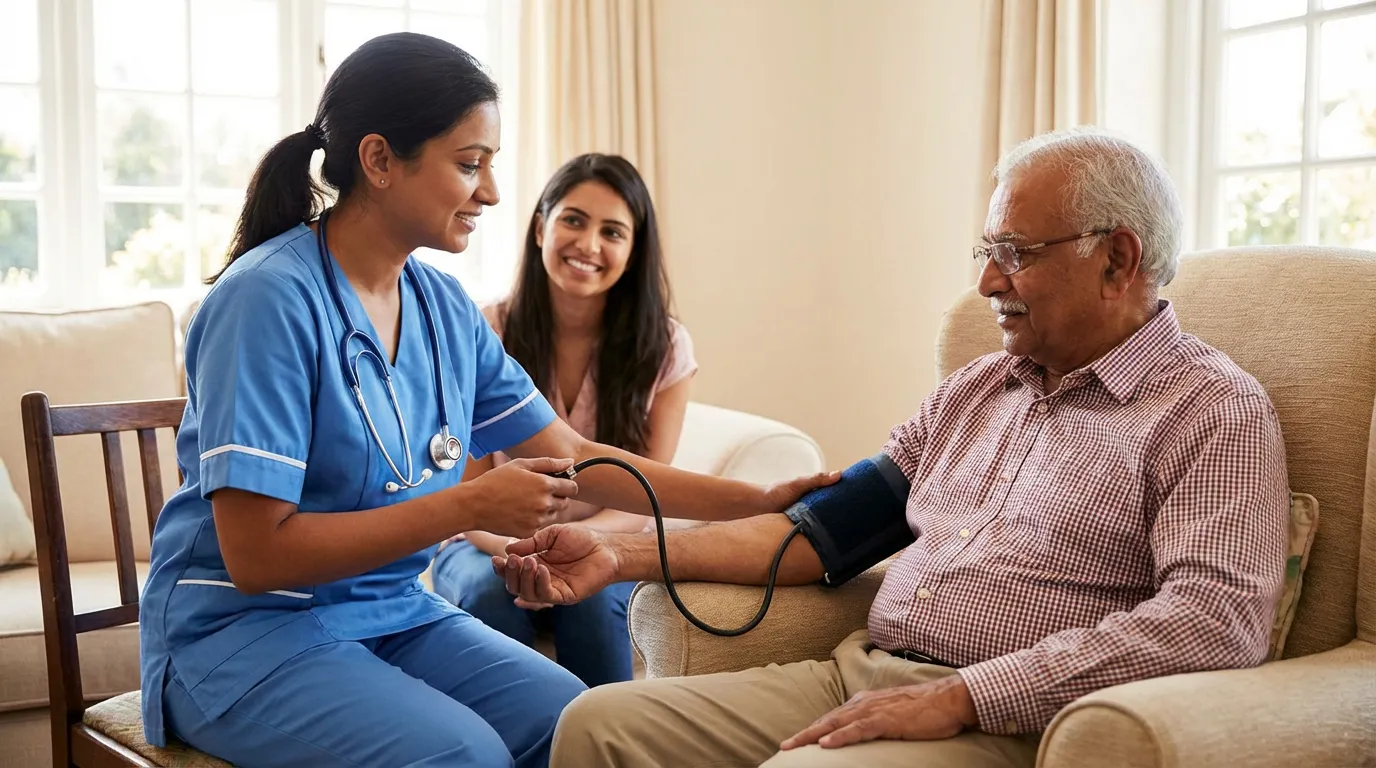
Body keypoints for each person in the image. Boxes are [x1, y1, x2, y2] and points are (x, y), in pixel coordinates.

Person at [137, 32, 834, 768]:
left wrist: (761, 502)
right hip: (240, 634)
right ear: (378, 161)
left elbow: (575, 459)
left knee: (584, 724)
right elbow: (255, 556)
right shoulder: (267, 301)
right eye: (470, 165)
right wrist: (468, 507)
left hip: (392, 612)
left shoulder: (442, 306)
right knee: (465, 756)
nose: (494, 193)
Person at [495, 127, 1292, 768]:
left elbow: (1213, 623)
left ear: (1116, 259)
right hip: (858, 673)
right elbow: (816, 535)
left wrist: (968, 697)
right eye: (987, 252)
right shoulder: (979, 388)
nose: (987, 284)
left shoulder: (1210, 410)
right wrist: (618, 560)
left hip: (1008, 721)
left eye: (1015, 253)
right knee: (597, 723)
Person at [431, 153, 695, 687]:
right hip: (487, 541)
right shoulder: (487, 331)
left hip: (612, 541)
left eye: (613, 231)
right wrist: (521, 551)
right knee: (489, 593)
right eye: (573, 220)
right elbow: (467, 490)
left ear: (633, 250)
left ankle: (598, 748)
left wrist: (582, 547)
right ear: (539, 227)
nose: (589, 245)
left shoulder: (665, 347)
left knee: (592, 604)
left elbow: (646, 496)